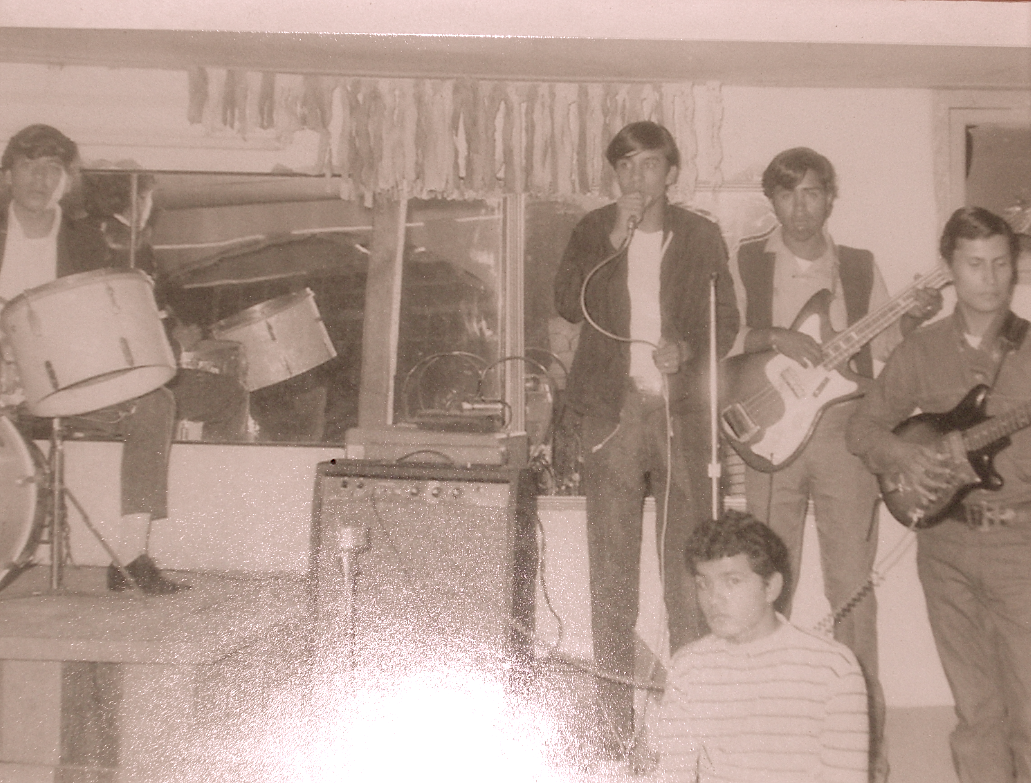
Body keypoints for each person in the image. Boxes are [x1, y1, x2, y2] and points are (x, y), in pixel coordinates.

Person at [729, 146, 941, 779]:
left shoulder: (858, 265)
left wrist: (915, 320)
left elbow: (891, 349)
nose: (800, 206)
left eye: (813, 192)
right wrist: (773, 337)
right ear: (771, 200)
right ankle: (765, 744)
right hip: (770, 439)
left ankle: (865, 751)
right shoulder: (745, 260)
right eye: (787, 193)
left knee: (852, 591)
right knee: (767, 584)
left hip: (846, 435)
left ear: (830, 197)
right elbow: (721, 337)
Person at [553, 120, 740, 760]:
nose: (637, 178)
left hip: (679, 415)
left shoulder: (700, 235)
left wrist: (686, 349)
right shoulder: (592, 229)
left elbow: (725, 321)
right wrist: (612, 238)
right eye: (626, 166)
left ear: (672, 172)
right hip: (612, 414)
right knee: (611, 577)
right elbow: (566, 302)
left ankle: (688, 727)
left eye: (650, 164)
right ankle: (612, 730)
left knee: (687, 578)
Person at [847, 207, 1031, 783]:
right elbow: (862, 428)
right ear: (950, 268)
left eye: (1001, 263)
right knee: (975, 711)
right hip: (944, 550)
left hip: (1020, 544)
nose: (990, 278)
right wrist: (906, 457)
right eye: (975, 264)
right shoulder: (921, 350)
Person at [0, 123, 186, 594]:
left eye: (53, 168)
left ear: (67, 180)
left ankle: (130, 557)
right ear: (7, 174)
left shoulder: (87, 242)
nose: (40, 179)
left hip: (64, 385)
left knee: (154, 403)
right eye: (29, 166)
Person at [647, 511, 869, 783]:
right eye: (703, 584)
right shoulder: (689, 667)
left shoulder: (833, 668)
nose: (714, 599)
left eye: (732, 581)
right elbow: (672, 774)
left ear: (771, 588)